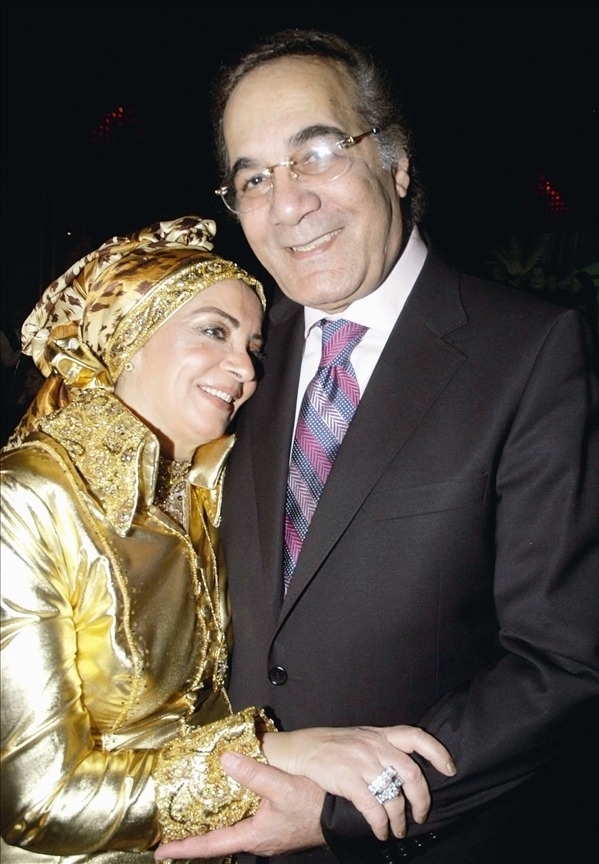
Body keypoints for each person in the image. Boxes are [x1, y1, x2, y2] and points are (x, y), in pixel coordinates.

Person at [156, 29, 599, 864]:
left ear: (395, 163)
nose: (287, 204)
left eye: (317, 153)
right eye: (253, 178)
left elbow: (563, 660)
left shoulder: (529, 354)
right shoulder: (233, 365)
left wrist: (349, 808)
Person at [0, 214, 456, 864]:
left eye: (252, 347)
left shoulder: (205, 493)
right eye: (213, 331)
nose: (244, 369)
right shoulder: (26, 499)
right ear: (129, 331)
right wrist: (271, 754)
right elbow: (38, 801)